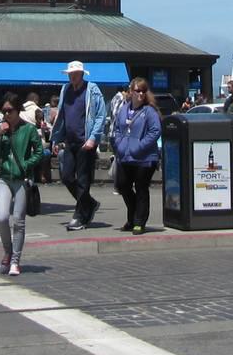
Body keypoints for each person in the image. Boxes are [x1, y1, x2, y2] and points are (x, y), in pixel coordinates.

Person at [50, 61, 108, 231]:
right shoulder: (65, 89)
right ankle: (89, 203)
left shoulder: (92, 89)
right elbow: (62, 115)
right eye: (70, 73)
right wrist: (56, 138)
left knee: (83, 180)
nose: (72, 76)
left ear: (82, 74)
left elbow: (100, 115)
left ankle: (80, 215)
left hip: (85, 142)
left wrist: (93, 138)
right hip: (69, 141)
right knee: (67, 176)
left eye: (75, 73)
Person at [0, 94, 43, 277]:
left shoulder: (28, 129)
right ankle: (7, 250)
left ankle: (15, 261)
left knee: (19, 221)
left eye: (10, 111)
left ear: (17, 110)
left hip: (21, 179)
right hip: (4, 176)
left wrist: (26, 164)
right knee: (1, 217)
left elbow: (39, 151)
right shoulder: (1, 130)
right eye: (4, 111)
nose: (6, 114)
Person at [111, 78, 161, 232]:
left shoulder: (149, 111)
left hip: (145, 158)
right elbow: (118, 128)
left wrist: (139, 146)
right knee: (122, 185)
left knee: (141, 188)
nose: (140, 94)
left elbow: (155, 131)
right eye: (137, 90)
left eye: (143, 91)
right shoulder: (124, 109)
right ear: (130, 91)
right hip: (125, 155)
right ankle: (132, 217)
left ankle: (139, 221)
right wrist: (119, 144)